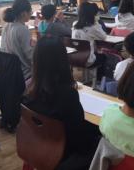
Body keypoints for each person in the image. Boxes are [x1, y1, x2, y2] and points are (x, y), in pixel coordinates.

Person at [24, 36, 100, 170]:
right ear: (63, 61)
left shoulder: (29, 89)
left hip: (38, 144)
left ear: (36, 60)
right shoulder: (68, 95)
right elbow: (78, 135)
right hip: (64, 153)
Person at [1, 0, 34, 80]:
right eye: (30, 11)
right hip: (24, 73)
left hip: (9, 71)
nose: (31, 13)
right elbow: (30, 56)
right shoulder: (22, 29)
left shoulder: (7, 26)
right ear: (23, 13)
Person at [72, 2, 107, 78]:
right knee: (104, 57)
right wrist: (96, 22)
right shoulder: (93, 27)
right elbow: (104, 37)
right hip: (87, 60)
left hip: (74, 57)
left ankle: (89, 78)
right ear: (92, 14)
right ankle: (98, 81)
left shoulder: (74, 24)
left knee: (94, 51)